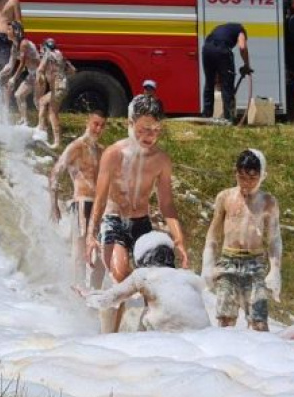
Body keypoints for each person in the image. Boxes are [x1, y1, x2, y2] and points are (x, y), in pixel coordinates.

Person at [85, 95, 189, 332]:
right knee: (120, 274)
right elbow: (100, 198)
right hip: (113, 221)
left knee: (155, 282)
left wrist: (179, 240)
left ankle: (146, 335)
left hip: (142, 223)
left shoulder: (161, 160)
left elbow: (166, 203)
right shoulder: (113, 154)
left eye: (155, 130)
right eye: (143, 130)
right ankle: (109, 335)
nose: (150, 136)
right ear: (130, 123)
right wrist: (91, 235)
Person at [202, 149, 282, 331]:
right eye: (242, 177)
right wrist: (207, 263)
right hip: (228, 261)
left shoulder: (268, 202)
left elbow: (274, 239)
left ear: (262, 176)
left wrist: (275, 270)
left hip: (254, 264)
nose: (246, 183)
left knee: (258, 322)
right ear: (235, 173)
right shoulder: (225, 197)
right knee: (225, 319)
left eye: (252, 178)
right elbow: (213, 233)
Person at [79, 231, 210, 333]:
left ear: (143, 258)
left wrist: (87, 296)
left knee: (142, 317)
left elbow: (109, 299)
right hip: (202, 334)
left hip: (167, 338)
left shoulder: (143, 275)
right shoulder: (187, 276)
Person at [49, 109, 108, 290]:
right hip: (82, 201)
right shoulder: (76, 147)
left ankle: (95, 292)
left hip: (100, 206)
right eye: (95, 124)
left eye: (102, 126)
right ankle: (78, 289)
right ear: (87, 122)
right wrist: (53, 205)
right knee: (79, 249)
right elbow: (55, 172)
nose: (98, 129)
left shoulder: (102, 151)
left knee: (103, 252)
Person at [201, 22, 251, 122]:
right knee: (227, 85)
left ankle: (206, 116)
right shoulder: (240, 30)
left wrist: (217, 76)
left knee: (209, 83)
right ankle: (228, 118)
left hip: (206, 50)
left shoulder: (220, 28)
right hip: (222, 50)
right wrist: (246, 64)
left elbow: (211, 45)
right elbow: (242, 47)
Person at [36, 38, 76, 148]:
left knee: (52, 113)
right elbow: (73, 70)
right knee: (42, 101)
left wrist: (41, 78)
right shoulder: (61, 56)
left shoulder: (47, 55)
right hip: (63, 87)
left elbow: (39, 70)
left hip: (57, 88)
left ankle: (57, 142)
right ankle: (41, 128)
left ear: (46, 47)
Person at [0, 21, 39, 124]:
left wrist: (13, 78)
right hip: (32, 75)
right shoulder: (15, 46)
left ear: (16, 31)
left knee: (37, 101)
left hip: (40, 74)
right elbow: (10, 65)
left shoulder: (24, 44)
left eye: (9, 29)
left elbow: (22, 63)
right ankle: (24, 121)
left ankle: (44, 124)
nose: (6, 32)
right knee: (19, 95)